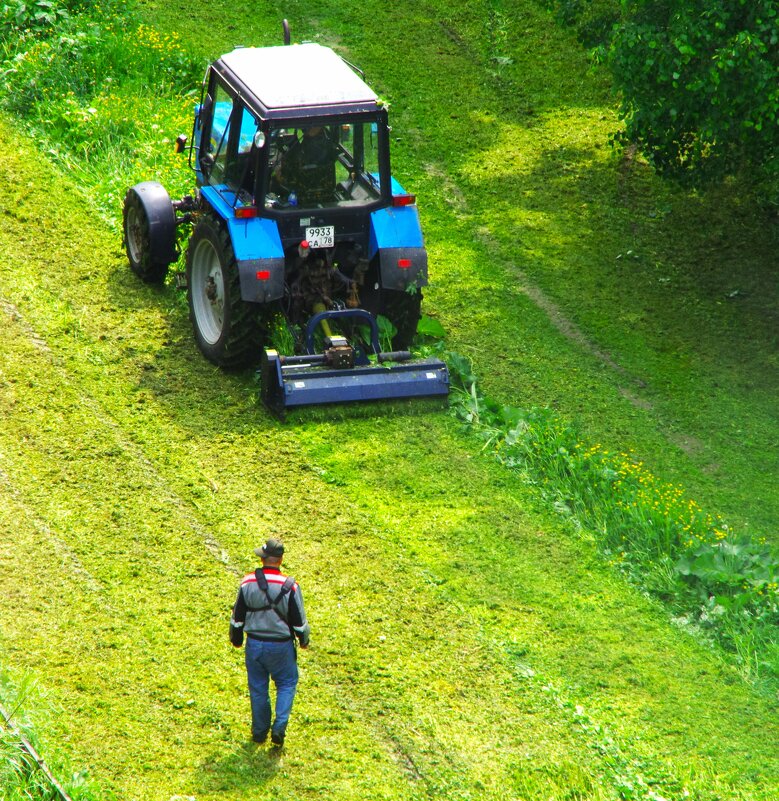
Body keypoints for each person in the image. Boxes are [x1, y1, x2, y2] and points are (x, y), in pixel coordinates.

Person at [230, 538, 310, 747]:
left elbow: (237, 617)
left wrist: (236, 639)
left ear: (263, 559)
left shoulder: (247, 583)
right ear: (281, 560)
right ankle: (279, 726)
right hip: (281, 646)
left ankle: (259, 732)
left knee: (258, 688)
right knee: (286, 683)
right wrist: (304, 640)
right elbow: (299, 622)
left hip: (255, 644)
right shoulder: (291, 587)